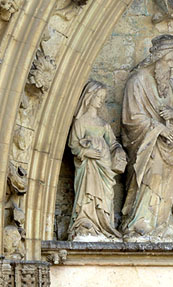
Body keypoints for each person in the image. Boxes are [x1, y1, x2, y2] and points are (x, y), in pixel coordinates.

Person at [120, 34, 173, 242]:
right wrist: (158, 128)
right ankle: (142, 221)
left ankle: (165, 222)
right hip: (149, 145)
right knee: (153, 175)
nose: (170, 66)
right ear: (157, 59)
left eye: (172, 61)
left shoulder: (172, 86)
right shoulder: (138, 81)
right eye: (168, 60)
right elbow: (131, 117)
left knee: (168, 182)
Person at [68, 81, 127, 241]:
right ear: (90, 97)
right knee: (87, 194)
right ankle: (86, 220)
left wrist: (119, 150)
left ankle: (103, 224)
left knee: (105, 195)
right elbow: (73, 145)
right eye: (99, 96)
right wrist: (86, 152)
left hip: (103, 166)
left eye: (103, 97)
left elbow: (113, 143)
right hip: (88, 167)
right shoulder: (81, 122)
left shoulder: (103, 124)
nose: (101, 100)